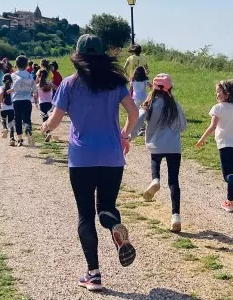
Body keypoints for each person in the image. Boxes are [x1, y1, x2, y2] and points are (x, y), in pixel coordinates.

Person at [40, 34, 139, 292]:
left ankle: (93, 274)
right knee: (106, 207)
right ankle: (114, 227)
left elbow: (55, 119)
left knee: (85, 214)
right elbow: (134, 111)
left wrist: (45, 127)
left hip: (82, 159)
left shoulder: (70, 85)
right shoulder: (115, 84)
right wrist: (124, 135)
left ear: (78, 56)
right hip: (112, 157)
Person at [130, 73, 187, 232]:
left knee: (155, 161)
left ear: (153, 88)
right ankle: (176, 216)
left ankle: (155, 180)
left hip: (156, 145)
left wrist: (130, 136)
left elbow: (139, 120)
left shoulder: (149, 103)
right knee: (174, 181)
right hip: (174, 147)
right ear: (170, 88)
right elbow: (183, 126)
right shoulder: (175, 105)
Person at [195, 79, 233, 212]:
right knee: (231, 172)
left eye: (218, 92)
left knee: (227, 176)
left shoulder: (218, 108)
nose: (216, 95)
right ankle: (229, 202)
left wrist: (202, 139)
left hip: (225, 145)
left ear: (227, 94)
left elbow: (213, 126)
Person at [7, 55, 37, 146]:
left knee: (18, 120)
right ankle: (28, 130)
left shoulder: (14, 75)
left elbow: (17, 83)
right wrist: (34, 93)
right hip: (27, 100)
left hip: (17, 100)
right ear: (27, 64)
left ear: (16, 64)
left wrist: (11, 90)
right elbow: (34, 88)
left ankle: (20, 140)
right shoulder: (29, 75)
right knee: (27, 119)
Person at [35, 68, 55, 139]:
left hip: (42, 104)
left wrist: (35, 103)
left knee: (44, 118)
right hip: (50, 103)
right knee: (49, 119)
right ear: (46, 76)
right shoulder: (50, 84)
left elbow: (35, 96)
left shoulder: (37, 86)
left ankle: (46, 133)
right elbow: (58, 88)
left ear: (38, 76)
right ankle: (49, 132)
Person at [0, 73, 15, 144]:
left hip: (4, 107)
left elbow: (1, 94)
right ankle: (12, 139)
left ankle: (5, 128)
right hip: (12, 108)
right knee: (11, 123)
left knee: (3, 119)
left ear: (3, 81)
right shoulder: (13, 88)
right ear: (12, 81)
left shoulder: (1, 87)